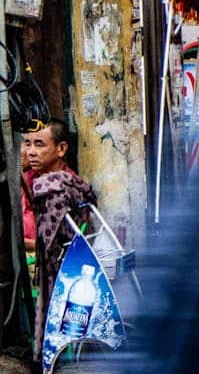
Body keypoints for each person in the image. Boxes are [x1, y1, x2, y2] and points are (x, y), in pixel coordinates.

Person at [24, 119, 96, 361]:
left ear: (61, 149)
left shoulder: (57, 190)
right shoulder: (37, 179)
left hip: (56, 269)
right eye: (27, 144)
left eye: (39, 144)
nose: (31, 151)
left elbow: (44, 244)